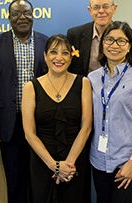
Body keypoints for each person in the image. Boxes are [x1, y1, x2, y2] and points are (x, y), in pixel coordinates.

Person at [0, 0, 48, 203]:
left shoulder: (46, 43)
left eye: (26, 13)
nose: (22, 18)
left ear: (33, 15)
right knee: (15, 179)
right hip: (9, 124)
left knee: (39, 178)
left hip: (39, 124)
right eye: (16, 14)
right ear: (9, 18)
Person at [88, 21, 132, 203]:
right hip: (99, 159)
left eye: (121, 41)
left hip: (127, 160)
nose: (114, 45)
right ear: (102, 44)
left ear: (129, 47)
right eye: (109, 40)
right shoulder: (92, 79)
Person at [21, 34, 92, 203]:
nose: (59, 58)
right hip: (42, 162)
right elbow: (29, 133)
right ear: (45, 56)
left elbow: (86, 126)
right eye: (53, 52)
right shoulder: (31, 87)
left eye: (65, 53)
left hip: (74, 161)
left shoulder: (83, 83)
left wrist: (68, 164)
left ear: (71, 56)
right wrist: (54, 165)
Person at [67, 0, 132, 76]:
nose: (101, 11)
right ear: (90, 10)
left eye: (105, 6)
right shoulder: (75, 35)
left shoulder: (131, 37)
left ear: (114, 8)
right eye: (96, 7)